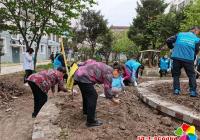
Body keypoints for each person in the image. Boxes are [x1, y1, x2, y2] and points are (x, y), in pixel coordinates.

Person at [74, 60, 120, 127]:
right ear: (116, 70)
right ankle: (90, 121)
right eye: (120, 73)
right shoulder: (109, 73)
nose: (120, 75)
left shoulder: (107, 67)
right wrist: (114, 100)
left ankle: (86, 112)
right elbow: (107, 89)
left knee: (86, 94)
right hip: (84, 77)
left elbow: (88, 62)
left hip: (79, 74)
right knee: (93, 96)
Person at [166, 26, 200, 97]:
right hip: (188, 59)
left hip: (176, 57)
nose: (197, 34)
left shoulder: (180, 34)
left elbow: (168, 40)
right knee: (191, 75)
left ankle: (176, 90)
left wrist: (171, 47)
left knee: (176, 75)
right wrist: (192, 59)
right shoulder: (196, 39)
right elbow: (196, 51)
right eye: (198, 32)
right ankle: (193, 91)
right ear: (195, 30)